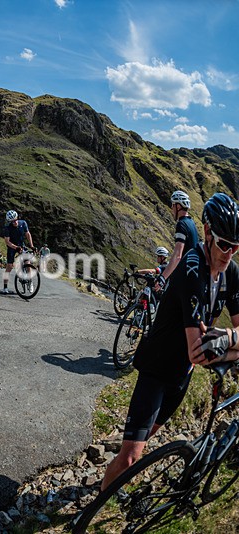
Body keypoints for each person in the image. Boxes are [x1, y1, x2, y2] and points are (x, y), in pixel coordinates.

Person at [97, 192, 239, 493]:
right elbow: (198, 352)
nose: (229, 254)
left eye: (236, 248)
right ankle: (94, 507)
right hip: (157, 369)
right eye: (225, 245)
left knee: (145, 441)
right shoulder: (191, 268)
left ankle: (114, 491)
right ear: (207, 232)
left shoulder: (232, 272)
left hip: (181, 377)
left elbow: (227, 336)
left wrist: (226, 337)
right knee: (130, 456)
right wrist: (231, 345)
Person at [156, 190, 199, 290]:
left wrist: (163, 277)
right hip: (193, 274)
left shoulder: (182, 225)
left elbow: (177, 255)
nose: (171, 208)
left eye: (173, 205)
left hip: (184, 277)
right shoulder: (191, 223)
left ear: (178, 206)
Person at [1, 210, 34, 294]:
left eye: (15, 220)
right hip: (12, 246)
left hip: (21, 245)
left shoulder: (23, 223)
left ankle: (30, 281)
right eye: (12, 221)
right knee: (9, 266)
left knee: (27, 262)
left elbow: (28, 234)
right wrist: (16, 247)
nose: (15, 222)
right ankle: (5, 287)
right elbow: (7, 242)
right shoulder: (7, 228)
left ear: (17, 218)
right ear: (9, 222)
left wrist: (32, 246)